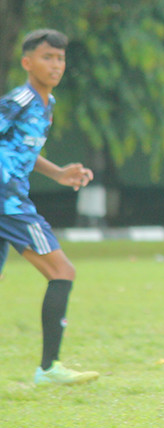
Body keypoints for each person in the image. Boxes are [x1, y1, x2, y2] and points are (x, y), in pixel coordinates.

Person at [2, 29, 99, 386]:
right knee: (63, 271)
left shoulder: (48, 104)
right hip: (7, 202)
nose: (55, 65)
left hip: (9, 199)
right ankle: (48, 369)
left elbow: (22, 149)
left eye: (60, 58)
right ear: (27, 62)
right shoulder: (21, 100)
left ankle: (48, 369)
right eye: (47, 57)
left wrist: (58, 173)